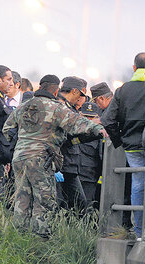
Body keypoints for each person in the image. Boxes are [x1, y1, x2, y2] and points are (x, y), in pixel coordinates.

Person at [2, 74, 107, 237]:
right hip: (41, 159)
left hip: (20, 157)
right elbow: (77, 122)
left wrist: (22, 144)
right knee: (44, 200)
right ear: (56, 89)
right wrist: (98, 130)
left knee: (22, 199)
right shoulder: (56, 107)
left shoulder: (24, 105)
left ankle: (18, 237)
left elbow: (7, 129)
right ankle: (40, 239)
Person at [101, 52, 145, 239]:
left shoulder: (123, 90)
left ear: (134, 68)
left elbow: (107, 120)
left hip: (131, 146)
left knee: (138, 184)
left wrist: (119, 140)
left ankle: (138, 232)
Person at [56, 76, 93, 212]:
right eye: (79, 95)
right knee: (64, 204)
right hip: (61, 164)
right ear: (74, 91)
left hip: (70, 165)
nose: (79, 99)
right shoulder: (61, 108)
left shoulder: (70, 108)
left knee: (78, 204)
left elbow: (72, 139)